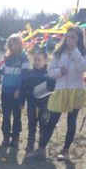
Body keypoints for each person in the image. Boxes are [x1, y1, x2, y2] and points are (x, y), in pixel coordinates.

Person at [27, 26, 86, 160]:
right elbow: (50, 72)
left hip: (75, 91)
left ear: (79, 39)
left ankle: (65, 151)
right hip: (59, 91)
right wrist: (60, 72)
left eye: (73, 37)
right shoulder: (58, 52)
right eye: (68, 36)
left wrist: (75, 50)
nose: (70, 39)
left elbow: (82, 67)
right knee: (52, 121)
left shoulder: (82, 52)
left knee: (71, 122)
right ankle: (41, 149)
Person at [20, 50, 55, 153]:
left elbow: (53, 88)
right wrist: (21, 101)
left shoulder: (49, 74)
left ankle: (41, 147)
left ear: (45, 60)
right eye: (35, 60)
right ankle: (30, 144)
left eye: (39, 60)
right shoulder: (29, 73)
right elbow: (23, 88)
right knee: (31, 124)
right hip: (31, 104)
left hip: (45, 105)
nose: (36, 62)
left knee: (43, 125)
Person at [0, 34, 30, 147]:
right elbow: (5, 71)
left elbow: (25, 75)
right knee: (6, 115)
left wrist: (19, 90)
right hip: (6, 90)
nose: (12, 46)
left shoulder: (23, 57)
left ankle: (15, 137)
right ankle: (6, 137)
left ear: (20, 44)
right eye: (10, 44)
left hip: (17, 92)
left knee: (17, 115)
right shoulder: (7, 57)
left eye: (14, 44)